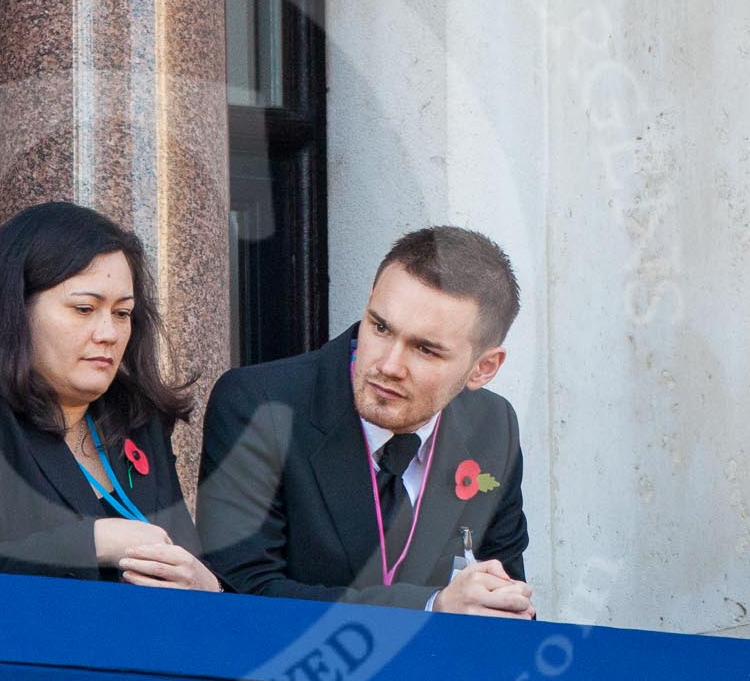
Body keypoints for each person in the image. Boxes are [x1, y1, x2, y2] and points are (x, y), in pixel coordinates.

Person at [197, 226, 535, 615]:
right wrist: (430, 608)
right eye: (380, 327)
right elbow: (242, 593)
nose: (388, 366)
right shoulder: (258, 405)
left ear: (483, 368)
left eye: (425, 350)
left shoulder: (493, 426)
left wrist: (502, 608)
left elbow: (507, 595)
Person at [0, 202, 218, 589]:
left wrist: (205, 584)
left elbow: (186, 558)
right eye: (84, 308)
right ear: (16, 307)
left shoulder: (134, 415)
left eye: (122, 313)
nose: (108, 333)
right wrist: (94, 542)